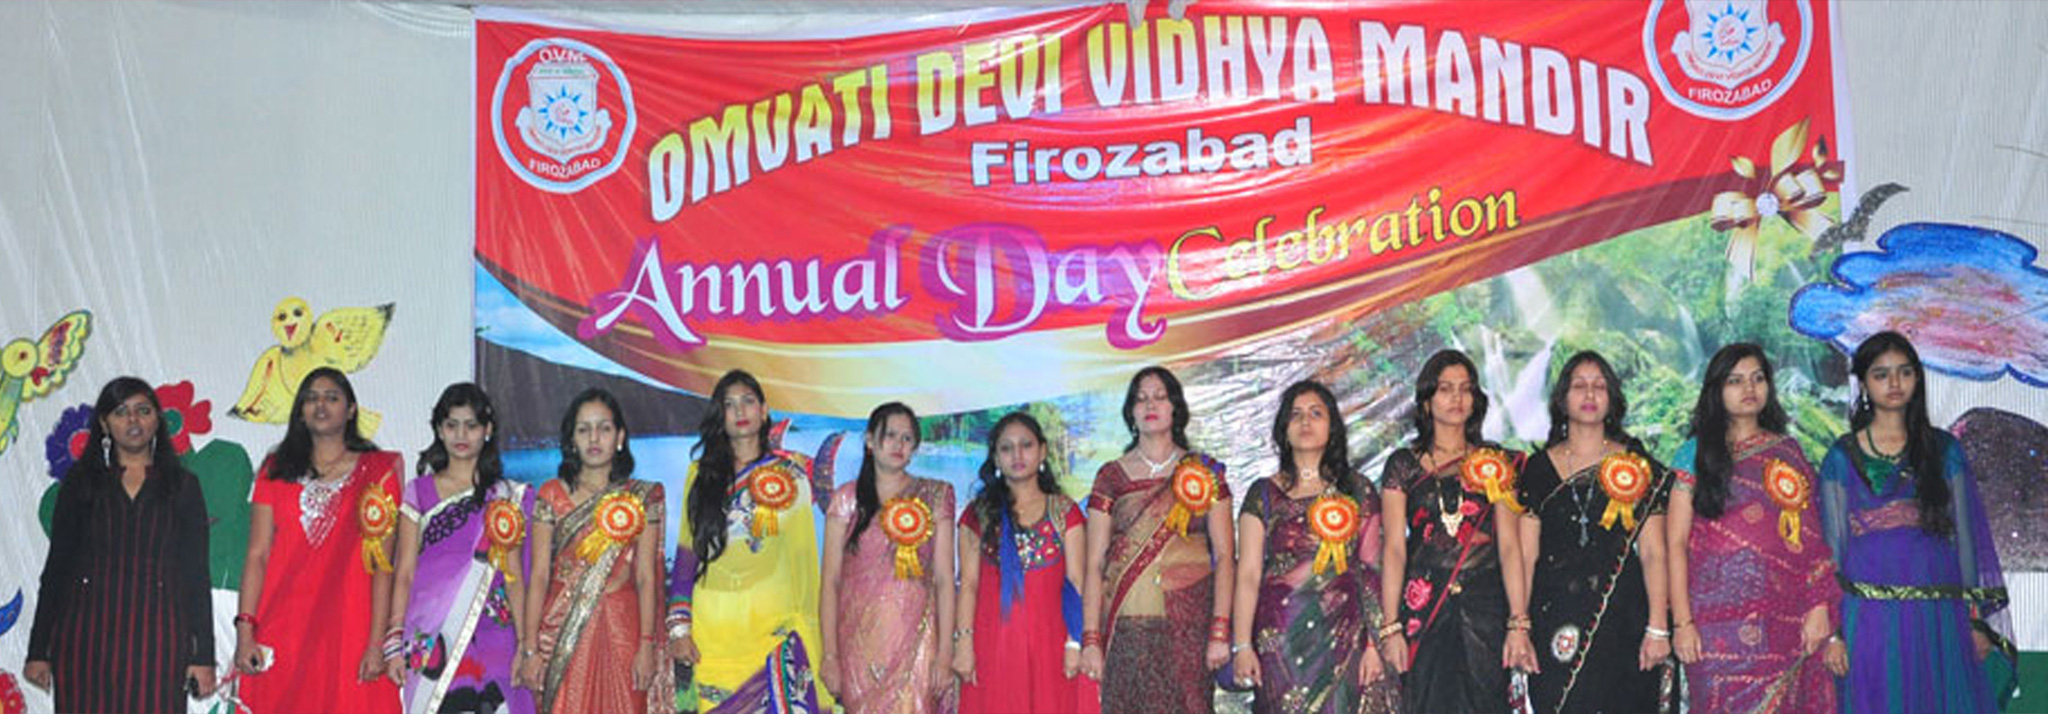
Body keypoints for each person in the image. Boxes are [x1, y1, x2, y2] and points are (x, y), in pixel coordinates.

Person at [1818, 331, 2012, 713]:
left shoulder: (1944, 450)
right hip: (1868, 617)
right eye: (1881, 374)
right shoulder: (1841, 457)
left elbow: (1967, 541)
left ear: (1917, 379)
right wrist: (1834, 633)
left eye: (1905, 372)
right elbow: (1832, 552)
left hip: (1937, 618)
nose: (1894, 383)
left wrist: (1976, 621)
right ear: (1863, 384)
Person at [23, 376, 217, 713]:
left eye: (143, 410)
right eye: (121, 412)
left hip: (160, 640)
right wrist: (38, 650)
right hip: (86, 638)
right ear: (104, 423)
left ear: (157, 420)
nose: (133, 420)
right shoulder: (81, 484)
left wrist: (204, 656)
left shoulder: (182, 486)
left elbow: (196, 576)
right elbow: (57, 570)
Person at [1666, 344, 1839, 714]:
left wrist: (1818, 604)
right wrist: (1682, 623)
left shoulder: (1788, 453)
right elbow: (1676, 543)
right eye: (1736, 381)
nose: (1749, 388)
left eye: (1758, 379)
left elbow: (1811, 538)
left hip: (1784, 620)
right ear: (1716, 390)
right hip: (1713, 627)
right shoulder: (1693, 454)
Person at [233, 367, 404, 713]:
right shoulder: (275, 470)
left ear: (351, 410)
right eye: (311, 398)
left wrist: (376, 643)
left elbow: (382, 566)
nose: (320, 405)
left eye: (331, 397)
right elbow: (257, 554)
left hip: (350, 626)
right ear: (300, 411)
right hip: (285, 624)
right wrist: (245, 631)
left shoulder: (378, 471)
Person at [1516, 351, 1674, 714]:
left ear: (1612, 398)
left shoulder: (1635, 465)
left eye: (1599, 386)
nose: (1589, 395)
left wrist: (1658, 627)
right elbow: (1525, 555)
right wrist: (1520, 626)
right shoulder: (1538, 469)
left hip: (1625, 617)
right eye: (1579, 386)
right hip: (1555, 616)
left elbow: (1654, 553)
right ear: (1562, 399)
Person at [1230, 380, 1398, 714]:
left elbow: (1372, 568)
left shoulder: (1357, 490)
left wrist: (1373, 644)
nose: (1305, 421)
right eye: (1296, 415)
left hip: (1345, 635)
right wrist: (1242, 645)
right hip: (1280, 636)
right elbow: (1247, 574)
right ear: (1284, 429)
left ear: (1332, 427)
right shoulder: (1263, 494)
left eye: (1316, 413)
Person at [667, 370, 828, 713]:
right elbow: (686, 554)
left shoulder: (791, 478)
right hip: (714, 634)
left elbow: (804, 567)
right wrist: (680, 628)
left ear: (764, 410)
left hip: (773, 634)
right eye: (729, 404)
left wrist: (814, 644)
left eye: (748, 401)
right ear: (720, 416)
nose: (740, 411)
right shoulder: (700, 475)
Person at [1079, 366, 1235, 714]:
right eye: (1141, 399)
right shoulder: (1111, 476)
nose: (1150, 404)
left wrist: (1219, 630)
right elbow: (1094, 563)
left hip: (1189, 629)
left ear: (1175, 407)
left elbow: (1226, 556)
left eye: (1160, 397)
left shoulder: (1203, 472)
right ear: (1131, 413)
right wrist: (1091, 638)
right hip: (1126, 632)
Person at [1377, 350, 1522, 714]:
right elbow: (1393, 548)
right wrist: (1391, 627)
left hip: (1486, 607)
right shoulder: (1404, 465)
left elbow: (1509, 546)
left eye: (1465, 389)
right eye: (1445, 389)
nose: (1457, 398)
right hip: (1426, 605)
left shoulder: (1494, 462)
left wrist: (1519, 621)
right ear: (1427, 401)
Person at [386, 383, 536, 714]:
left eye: (471, 425)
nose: (461, 434)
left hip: (493, 632)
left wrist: (526, 645)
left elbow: (513, 576)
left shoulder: (505, 496)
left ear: (487, 430)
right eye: (452, 425)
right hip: (430, 631)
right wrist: (394, 640)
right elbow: (405, 572)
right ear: (439, 430)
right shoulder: (418, 492)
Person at [523, 388, 669, 714]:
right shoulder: (551, 494)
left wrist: (646, 645)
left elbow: (646, 577)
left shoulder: (641, 497)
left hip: (624, 631)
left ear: (620, 437)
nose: (594, 438)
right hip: (561, 632)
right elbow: (540, 576)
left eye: (604, 428)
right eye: (584, 429)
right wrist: (530, 650)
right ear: (571, 439)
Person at [953, 411, 1099, 714]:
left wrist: (1075, 642)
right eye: (1006, 448)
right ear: (995, 458)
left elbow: (1077, 580)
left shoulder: (1064, 512)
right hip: (994, 644)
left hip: (1053, 644)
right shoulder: (978, 515)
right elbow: (968, 585)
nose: (1017, 455)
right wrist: (963, 643)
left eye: (1026, 445)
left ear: (1042, 451)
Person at [819, 402, 957, 714]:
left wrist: (945, 653)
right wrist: (830, 655)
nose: (899, 445)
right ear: (870, 440)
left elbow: (945, 579)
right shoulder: (846, 499)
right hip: (858, 644)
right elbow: (830, 581)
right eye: (890, 435)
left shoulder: (936, 495)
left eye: (907, 438)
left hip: (919, 643)